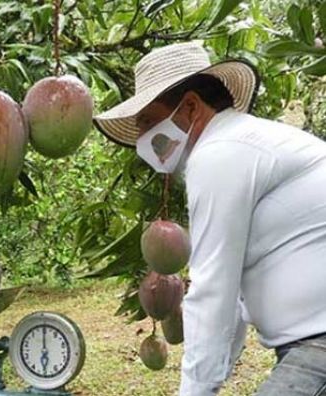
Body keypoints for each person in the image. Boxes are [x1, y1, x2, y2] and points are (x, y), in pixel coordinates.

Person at [93, 41, 326, 396]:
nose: (143, 139)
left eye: (147, 122)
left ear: (189, 106)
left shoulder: (222, 152)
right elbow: (229, 301)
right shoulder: (239, 143)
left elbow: (213, 290)